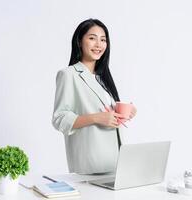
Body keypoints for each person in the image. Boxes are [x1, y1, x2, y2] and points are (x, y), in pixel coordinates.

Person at [52, 18, 137, 174]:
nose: (99, 44)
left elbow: (107, 113)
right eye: (92, 38)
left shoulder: (102, 78)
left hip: (116, 164)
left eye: (103, 40)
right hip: (90, 166)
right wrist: (96, 118)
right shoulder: (68, 74)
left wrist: (126, 111)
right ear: (79, 41)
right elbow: (60, 119)